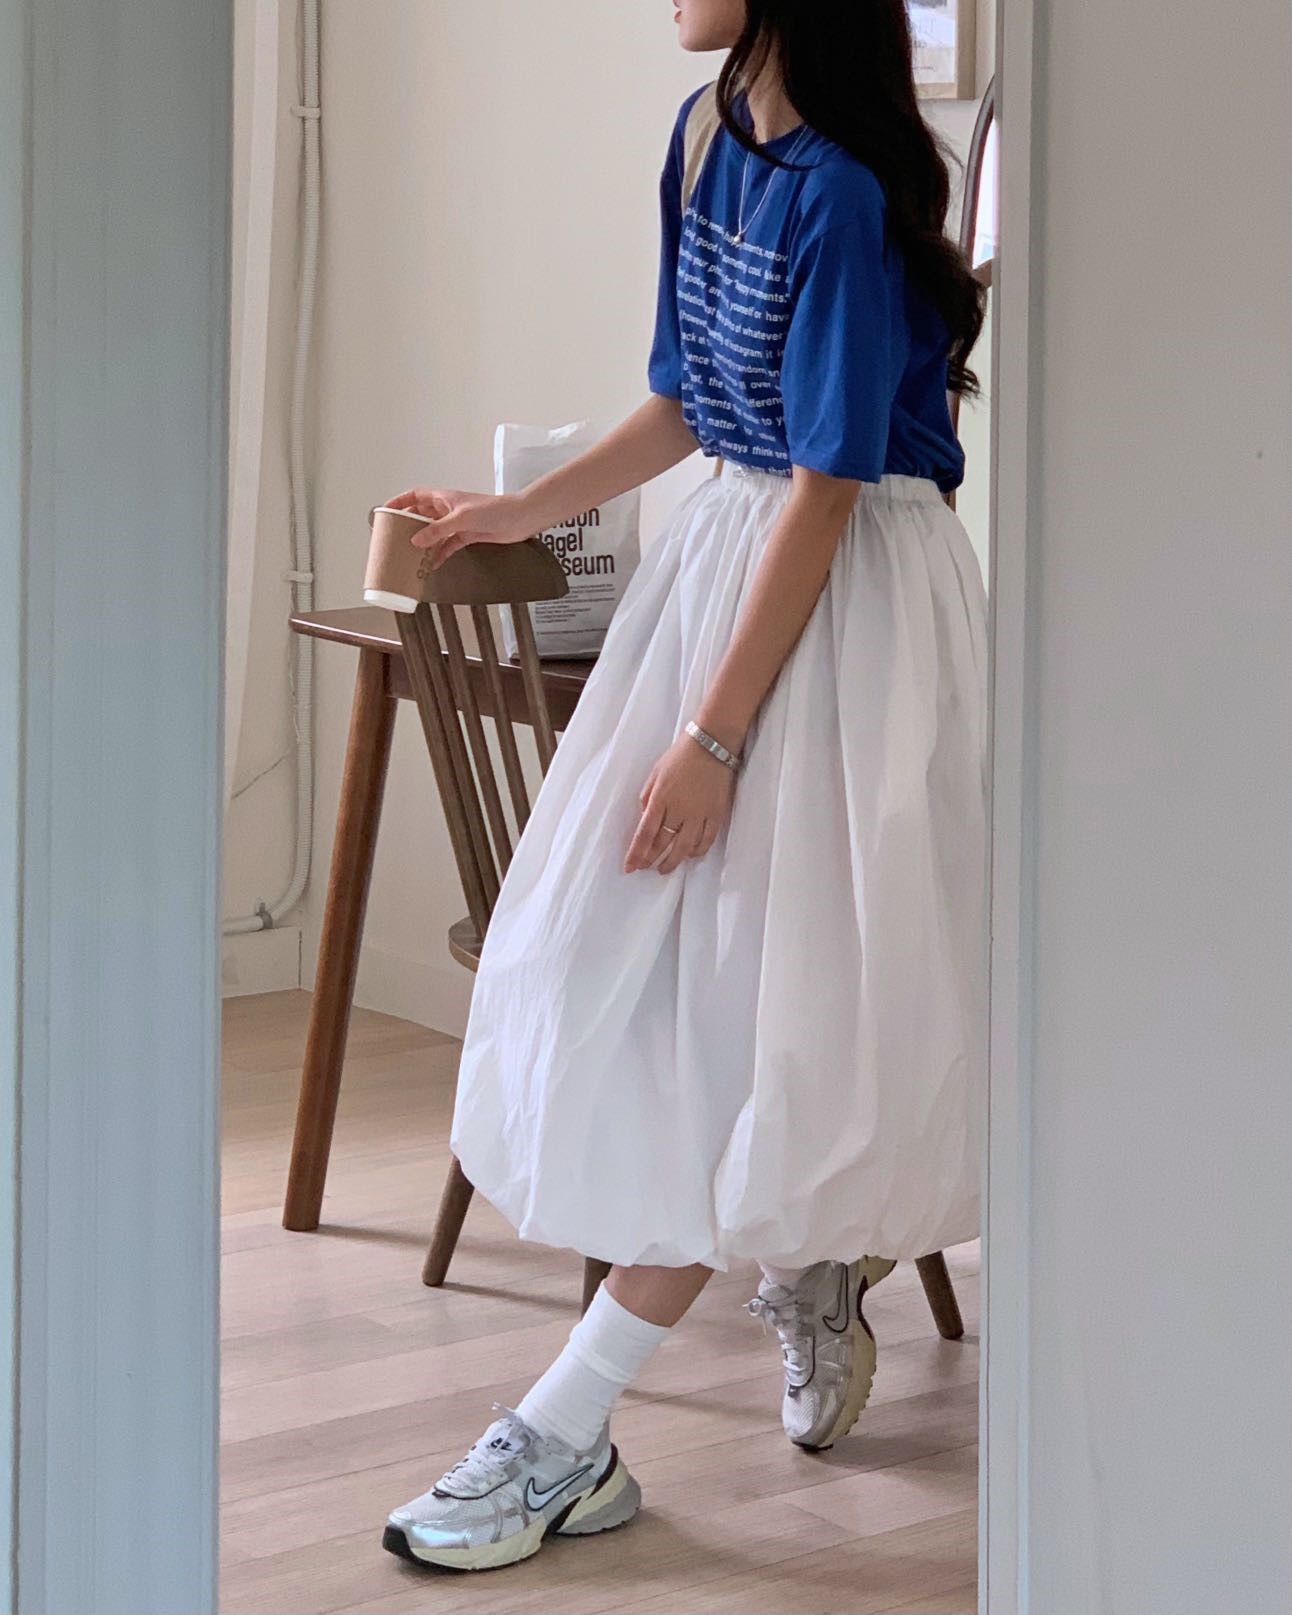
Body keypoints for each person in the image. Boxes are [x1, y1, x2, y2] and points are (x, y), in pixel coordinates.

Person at [381, 0, 987, 1574]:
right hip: (726, 564)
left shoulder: (845, 191)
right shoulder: (708, 134)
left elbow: (829, 490)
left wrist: (712, 741)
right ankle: (804, 1255)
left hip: (841, 605)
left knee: (746, 1005)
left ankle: (570, 1427)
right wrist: (518, 507)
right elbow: (681, 398)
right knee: (633, 971)